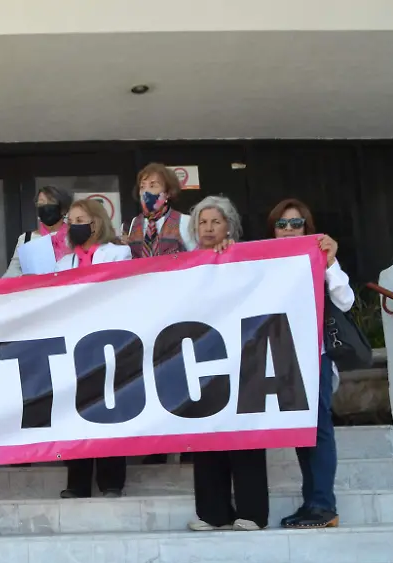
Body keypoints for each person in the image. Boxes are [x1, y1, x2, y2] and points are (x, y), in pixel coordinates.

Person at [184, 196, 269, 532]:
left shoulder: (244, 259)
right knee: (206, 435)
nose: (208, 228)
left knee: (244, 435)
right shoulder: (186, 264)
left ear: (229, 226)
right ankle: (213, 513)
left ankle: (252, 513)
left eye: (215, 222)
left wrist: (234, 259)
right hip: (203, 359)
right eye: (202, 223)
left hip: (242, 356)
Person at [269, 198, 352, 529]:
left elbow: (345, 301)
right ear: (272, 230)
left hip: (313, 357)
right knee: (303, 434)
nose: (289, 230)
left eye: (296, 223)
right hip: (281, 358)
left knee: (317, 431)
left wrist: (330, 262)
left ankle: (323, 505)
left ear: (308, 228)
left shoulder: (318, 257)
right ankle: (314, 502)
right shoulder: (262, 262)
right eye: (282, 224)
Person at [53, 199, 133, 498]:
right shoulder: (63, 263)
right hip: (76, 345)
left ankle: (112, 481)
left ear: (96, 223)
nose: (73, 226)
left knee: (111, 410)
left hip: (112, 339)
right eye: (70, 220)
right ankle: (78, 482)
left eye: (79, 219)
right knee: (77, 413)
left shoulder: (119, 253)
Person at [125, 164, 197, 464]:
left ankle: (190, 442)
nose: (148, 190)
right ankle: (158, 445)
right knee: (153, 378)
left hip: (179, 310)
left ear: (167, 191)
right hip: (145, 315)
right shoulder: (133, 225)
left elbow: (200, 261)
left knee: (184, 376)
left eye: (154, 184)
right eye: (143, 184)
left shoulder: (185, 223)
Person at [4, 186, 73, 278]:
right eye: (41, 203)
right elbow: (11, 273)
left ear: (63, 208)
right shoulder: (26, 239)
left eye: (51, 202)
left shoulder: (75, 236)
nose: (45, 207)